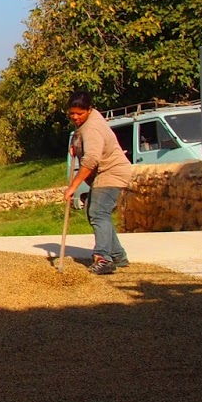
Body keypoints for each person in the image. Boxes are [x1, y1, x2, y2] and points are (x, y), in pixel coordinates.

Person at [64, 91, 132, 275]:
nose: (76, 117)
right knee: (96, 212)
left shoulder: (92, 128)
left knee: (97, 212)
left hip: (112, 172)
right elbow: (81, 136)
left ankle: (103, 259)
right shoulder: (87, 122)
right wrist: (75, 144)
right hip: (103, 173)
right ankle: (118, 255)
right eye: (72, 113)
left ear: (89, 109)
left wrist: (73, 186)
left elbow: (91, 160)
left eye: (80, 113)